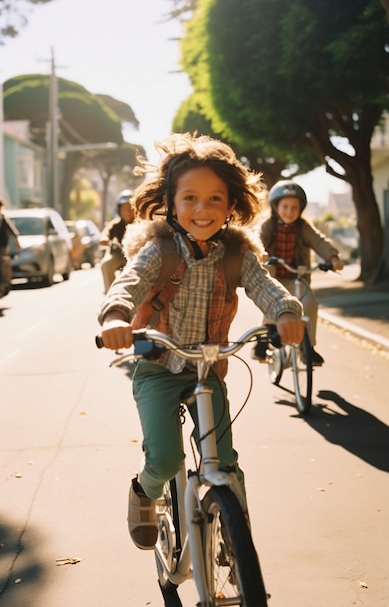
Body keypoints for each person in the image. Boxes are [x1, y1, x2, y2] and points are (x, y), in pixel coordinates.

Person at [97, 133, 305, 551]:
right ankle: (144, 491)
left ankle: (236, 533)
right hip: (158, 366)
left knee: (225, 463)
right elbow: (128, 283)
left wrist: (286, 312)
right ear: (171, 203)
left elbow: (265, 287)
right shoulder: (160, 250)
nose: (202, 209)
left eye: (215, 199)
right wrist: (116, 317)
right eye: (189, 198)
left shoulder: (236, 254)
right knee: (166, 459)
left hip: (209, 369)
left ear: (232, 205)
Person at [252, 180, 344, 366]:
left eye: (294, 207)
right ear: (276, 206)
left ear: (301, 209)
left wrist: (333, 258)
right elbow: (257, 239)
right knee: (273, 300)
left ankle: (307, 347)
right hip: (274, 277)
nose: (289, 211)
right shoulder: (268, 226)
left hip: (297, 277)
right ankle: (263, 340)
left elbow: (319, 242)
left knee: (309, 302)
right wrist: (260, 253)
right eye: (285, 206)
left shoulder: (303, 227)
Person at [99, 189, 135, 293]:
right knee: (106, 263)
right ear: (119, 211)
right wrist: (104, 239)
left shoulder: (141, 222)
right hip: (119, 253)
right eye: (124, 209)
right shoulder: (115, 224)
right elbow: (105, 233)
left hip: (137, 255)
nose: (128, 212)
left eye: (130, 208)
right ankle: (111, 293)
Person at [0, 198, 20, 293]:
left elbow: (13, 232)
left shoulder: (3, 218)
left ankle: (6, 281)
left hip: (3, 246)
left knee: (5, 262)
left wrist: (17, 242)